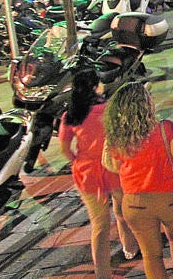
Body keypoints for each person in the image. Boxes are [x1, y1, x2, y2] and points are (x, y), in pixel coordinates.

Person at [102, 83, 173, 279]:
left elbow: (114, 167)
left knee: (151, 256)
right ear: (146, 106)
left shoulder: (115, 139)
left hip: (134, 204)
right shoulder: (164, 129)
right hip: (168, 198)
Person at [59, 70, 138, 279]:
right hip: (114, 168)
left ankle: (102, 273)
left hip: (87, 175)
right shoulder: (110, 110)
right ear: (95, 87)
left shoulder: (70, 115)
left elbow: (65, 149)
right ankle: (129, 246)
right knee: (123, 212)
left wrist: (78, 160)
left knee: (100, 225)